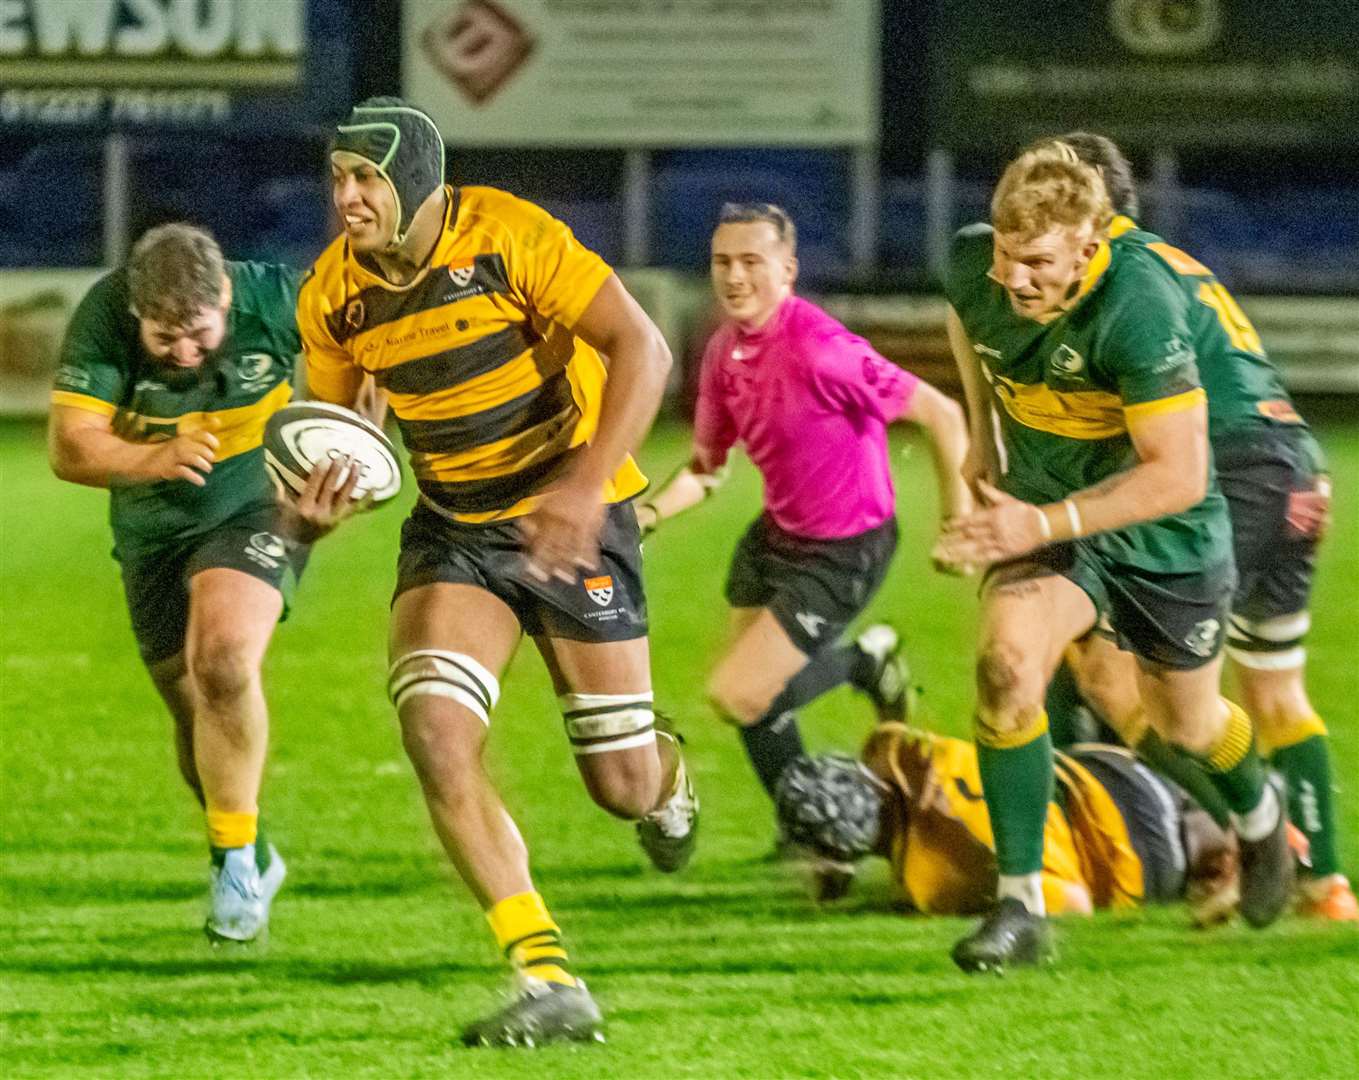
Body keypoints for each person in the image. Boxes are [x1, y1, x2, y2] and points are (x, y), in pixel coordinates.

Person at [294, 96, 697, 1048]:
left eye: (368, 180)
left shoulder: (508, 236)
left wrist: (589, 488)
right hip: (455, 530)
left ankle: (668, 782)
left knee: (623, 789)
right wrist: (312, 509)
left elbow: (645, 346)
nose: (348, 199)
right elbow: (346, 436)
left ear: (418, 183)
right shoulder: (333, 295)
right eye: (339, 180)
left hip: (569, 520)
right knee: (434, 730)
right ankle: (545, 975)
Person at [935, 142, 1292, 973]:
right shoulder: (971, 265)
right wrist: (981, 434)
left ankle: (1260, 812)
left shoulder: (1138, 301)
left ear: (1088, 249)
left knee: (1185, 724)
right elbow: (963, 310)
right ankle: (1019, 906)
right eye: (1002, 254)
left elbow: (1180, 473)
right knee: (1005, 667)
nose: (1011, 279)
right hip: (1048, 516)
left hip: (1160, 526)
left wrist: (1042, 521)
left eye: (1034, 263)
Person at [1045, 132, 1354, 923]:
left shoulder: (1111, 269)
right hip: (1294, 463)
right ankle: (1326, 886)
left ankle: (1245, 843)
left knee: (1112, 675)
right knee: (1273, 685)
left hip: (1227, 469)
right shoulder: (1170, 258)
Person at [47, 223, 346, 943]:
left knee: (222, 660)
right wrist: (155, 460)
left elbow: (363, 353)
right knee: (193, 716)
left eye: (199, 334)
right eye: (164, 338)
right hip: (151, 532)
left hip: (256, 508)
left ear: (226, 297)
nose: (184, 352)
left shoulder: (277, 299)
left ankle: (235, 870)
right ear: (137, 315)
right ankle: (243, 848)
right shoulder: (103, 312)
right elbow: (69, 448)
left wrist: (348, 447)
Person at [638, 202, 971, 828]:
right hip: (773, 539)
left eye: (751, 263)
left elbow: (943, 414)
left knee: (739, 694)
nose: (735, 277)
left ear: (787, 270)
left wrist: (959, 525)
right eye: (722, 263)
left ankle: (866, 662)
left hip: (846, 548)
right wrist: (646, 515)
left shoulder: (823, 349)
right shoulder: (723, 354)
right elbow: (707, 469)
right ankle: (804, 830)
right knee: (757, 704)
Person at [776, 724, 1241, 925]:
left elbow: (1072, 902)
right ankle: (1255, 824)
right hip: (1112, 774)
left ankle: (1236, 856)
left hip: (1138, 856)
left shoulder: (932, 880)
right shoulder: (897, 751)